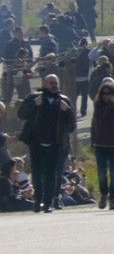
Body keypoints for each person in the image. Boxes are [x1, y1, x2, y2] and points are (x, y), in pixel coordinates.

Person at [17, 74, 76, 213]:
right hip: (36, 143)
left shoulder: (64, 100)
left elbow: (72, 124)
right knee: (37, 174)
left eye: (55, 82)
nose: (53, 85)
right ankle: (38, 202)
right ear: (44, 84)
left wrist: (67, 111)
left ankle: (48, 203)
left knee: (51, 174)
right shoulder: (34, 98)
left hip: (55, 144)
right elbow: (21, 114)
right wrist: (33, 105)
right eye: (50, 83)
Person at [90, 80, 114, 210]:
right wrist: (110, 105)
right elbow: (98, 119)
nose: (107, 96)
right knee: (101, 173)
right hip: (101, 143)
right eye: (104, 94)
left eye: (109, 93)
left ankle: (113, 199)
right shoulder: (99, 105)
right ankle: (104, 194)